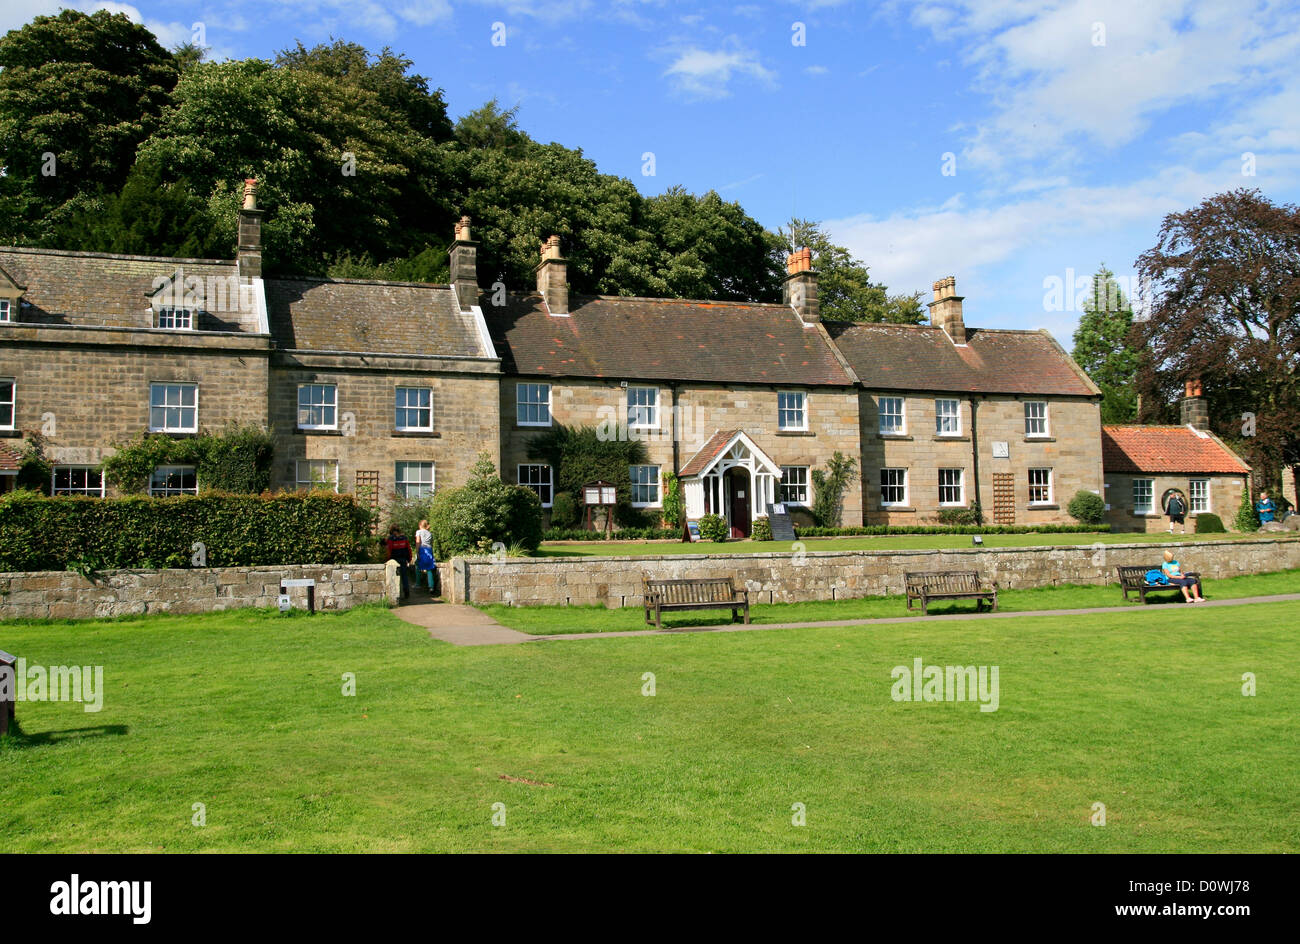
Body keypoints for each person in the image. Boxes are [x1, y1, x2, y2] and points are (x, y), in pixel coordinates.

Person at [385, 525, 412, 602]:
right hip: (403, 559)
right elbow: (408, 549)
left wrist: (387, 559)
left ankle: (396, 594)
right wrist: (409, 559)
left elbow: (389, 549)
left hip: (394, 560)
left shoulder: (391, 539)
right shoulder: (404, 538)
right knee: (404, 576)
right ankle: (406, 592)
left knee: (393, 577)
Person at [414, 518, 437, 594]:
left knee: (417, 565)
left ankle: (418, 583)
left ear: (420, 525)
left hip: (422, 550)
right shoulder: (430, 533)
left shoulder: (419, 532)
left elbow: (418, 542)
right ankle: (431, 587)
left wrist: (417, 552)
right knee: (429, 568)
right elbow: (431, 543)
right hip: (429, 550)